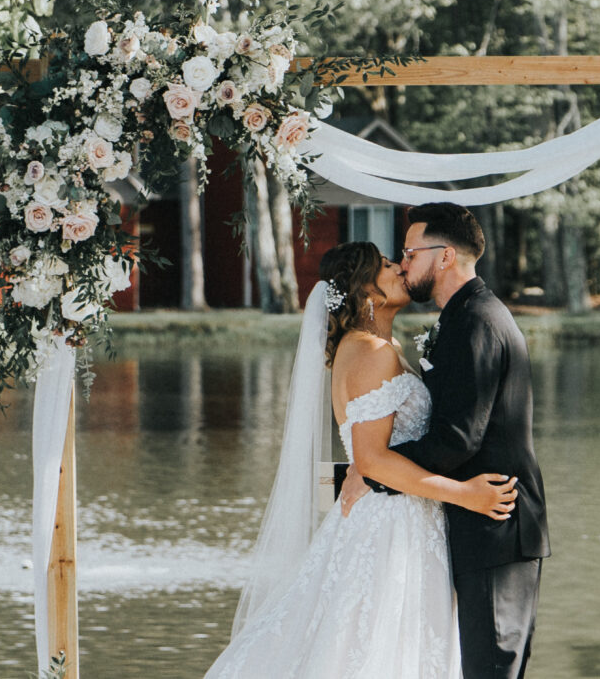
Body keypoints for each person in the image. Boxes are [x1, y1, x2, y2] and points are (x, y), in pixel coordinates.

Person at [204, 241, 518, 679]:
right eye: (388, 266)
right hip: (391, 523)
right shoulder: (371, 352)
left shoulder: (374, 347)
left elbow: (369, 452)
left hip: (398, 514)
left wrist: (364, 465)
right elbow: (373, 460)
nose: (402, 268)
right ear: (366, 290)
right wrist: (466, 494)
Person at [343, 203, 551, 679]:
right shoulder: (462, 317)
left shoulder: (477, 321)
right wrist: (369, 466)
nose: (403, 264)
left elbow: (456, 440)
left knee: (491, 668)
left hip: (495, 521)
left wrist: (372, 469)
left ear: (445, 256)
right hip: (479, 523)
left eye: (410, 253)